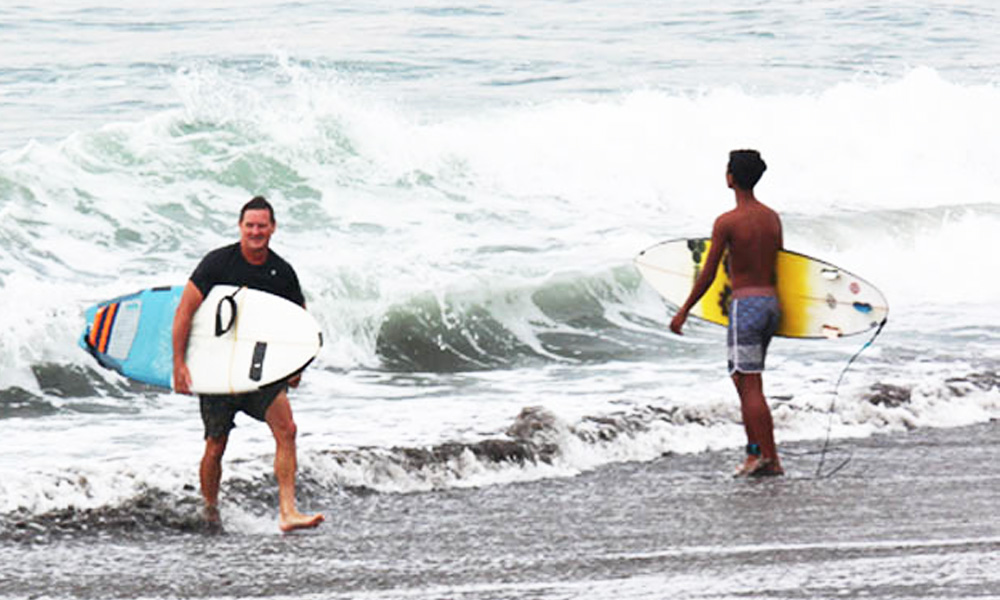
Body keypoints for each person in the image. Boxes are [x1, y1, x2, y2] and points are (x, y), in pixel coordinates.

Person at [172, 195, 325, 531]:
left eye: (262, 225)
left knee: (288, 430)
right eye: (250, 225)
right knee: (216, 445)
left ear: (273, 228)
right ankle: (210, 510)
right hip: (218, 367)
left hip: (260, 369)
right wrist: (179, 365)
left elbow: (298, 322)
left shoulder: (281, 272)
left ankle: (288, 512)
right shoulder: (217, 264)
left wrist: (296, 366)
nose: (256, 231)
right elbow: (184, 313)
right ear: (240, 227)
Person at [669, 150, 784, 477]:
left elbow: (706, 274)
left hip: (746, 306)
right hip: (770, 306)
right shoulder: (772, 217)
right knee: (749, 381)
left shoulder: (727, 222)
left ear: (731, 177)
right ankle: (770, 458)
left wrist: (684, 311)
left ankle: (756, 456)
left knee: (748, 385)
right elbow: (781, 265)